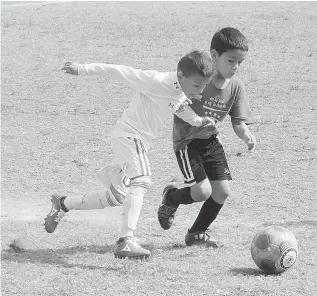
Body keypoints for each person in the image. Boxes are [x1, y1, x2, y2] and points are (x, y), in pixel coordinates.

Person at [44, 50, 216, 259]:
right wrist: (82, 68)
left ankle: (62, 204)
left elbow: (177, 106)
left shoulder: (181, 90)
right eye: (197, 86)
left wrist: (198, 121)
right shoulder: (156, 80)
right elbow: (120, 71)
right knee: (142, 180)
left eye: (204, 86)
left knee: (116, 197)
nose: (200, 91)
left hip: (137, 142)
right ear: (181, 75)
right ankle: (126, 241)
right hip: (128, 136)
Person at [158, 27, 256, 247]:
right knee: (202, 191)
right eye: (231, 61)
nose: (235, 67)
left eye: (240, 62)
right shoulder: (199, 79)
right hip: (188, 143)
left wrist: (246, 135)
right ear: (214, 55)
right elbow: (176, 100)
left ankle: (197, 232)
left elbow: (238, 121)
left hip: (212, 142)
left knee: (221, 192)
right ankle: (171, 197)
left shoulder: (236, 87)